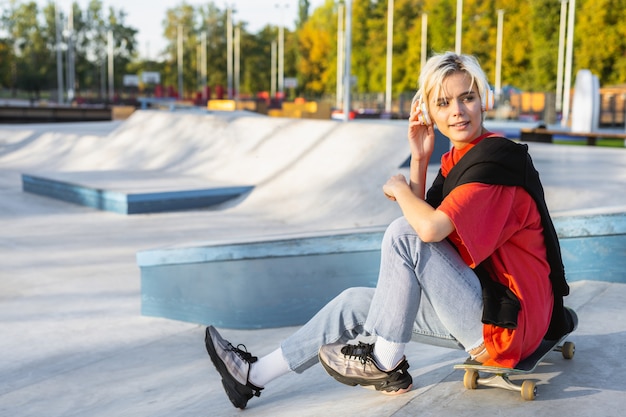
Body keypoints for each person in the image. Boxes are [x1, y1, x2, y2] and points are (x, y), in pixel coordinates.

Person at [204, 51, 577, 410]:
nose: (458, 111)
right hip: (491, 307)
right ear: (428, 111)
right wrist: (419, 158)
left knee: (402, 233)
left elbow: (426, 231)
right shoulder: (464, 157)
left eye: (467, 98)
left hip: (509, 328)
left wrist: (399, 188)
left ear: (483, 101)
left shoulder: (493, 168)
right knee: (354, 301)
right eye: (444, 103)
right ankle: (252, 376)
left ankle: (385, 362)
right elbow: (428, 228)